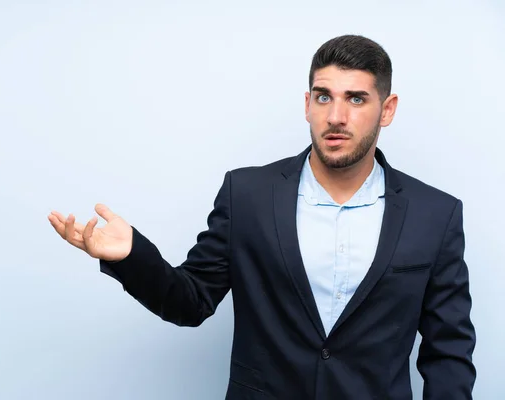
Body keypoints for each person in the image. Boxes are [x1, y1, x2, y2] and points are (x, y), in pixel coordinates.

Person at [48, 35, 476, 399]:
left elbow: (448, 353)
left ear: (387, 109)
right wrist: (131, 256)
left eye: (356, 99)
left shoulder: (434, 214)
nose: (336, 116)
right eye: (324, 97)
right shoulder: (248, 195)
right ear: (307, 103)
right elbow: (190, 300)